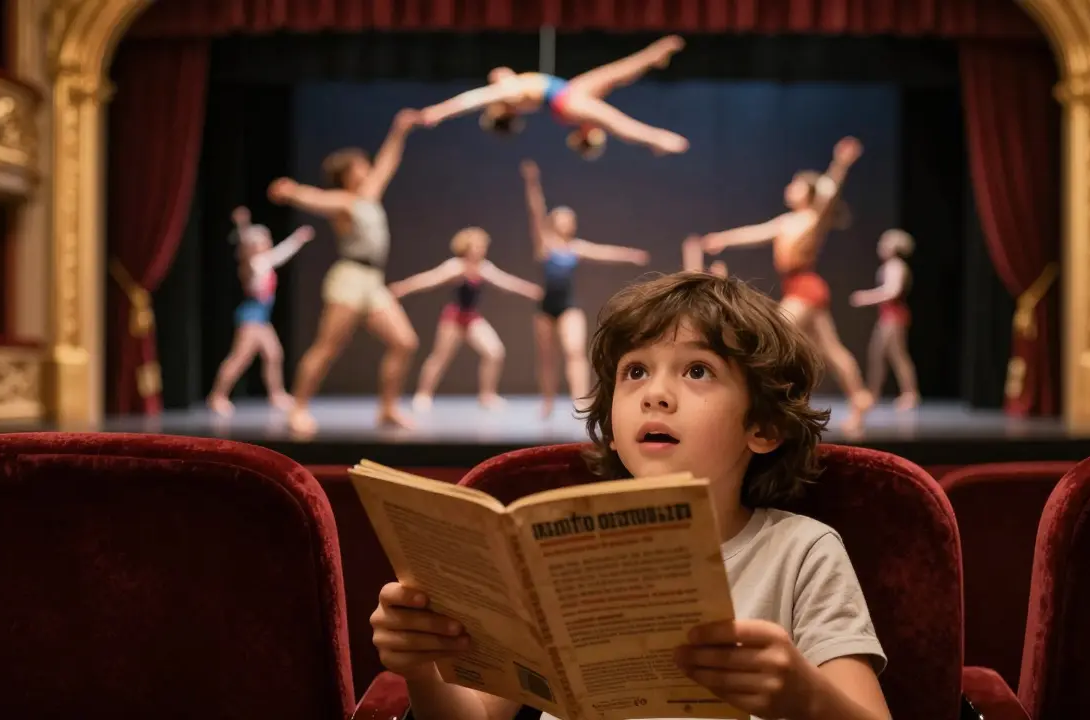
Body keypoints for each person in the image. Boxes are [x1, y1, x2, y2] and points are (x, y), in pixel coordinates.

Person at [368, 271, 892, 720]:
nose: (655, 394)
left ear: (763, 426)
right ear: (613, 430)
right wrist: (420, 663)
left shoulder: (801, 552)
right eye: (634, 371)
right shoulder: (548, 558)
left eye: (697, 370)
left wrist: (803, 695)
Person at [702, 137, 874, 435]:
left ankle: (770, 406)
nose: (789, 188)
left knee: (774, 334)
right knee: (830, 349)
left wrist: (840, 164)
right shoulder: (787, 221)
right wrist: (723, 238)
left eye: (795, 185)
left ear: (808, 194)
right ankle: (859, 398)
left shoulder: (812, 218)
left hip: (806, 287)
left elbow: (830, 191)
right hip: (798, 287)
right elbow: (755, 232)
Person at [267, 108, 422, 434]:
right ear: (349, 174)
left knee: (404, 342)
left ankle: (388, 409)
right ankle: (298, 409)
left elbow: (387, 163)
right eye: (360, 166)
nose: (367, 168)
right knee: (328, 346)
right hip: (350, 278)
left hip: (373, 280)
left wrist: (399, 130)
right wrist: (291, 191)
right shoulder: (344, 201)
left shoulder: (370, 196)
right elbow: (316, 199)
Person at [520, 159, 650, 418]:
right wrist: (532, 183)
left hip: (568, 306)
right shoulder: (544, 244)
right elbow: (536, 211)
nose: (570, 223)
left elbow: (604, 252)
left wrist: (629, 255)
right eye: (565, 219)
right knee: (547, 359)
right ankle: (546, 402)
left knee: (575, 351)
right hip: (545, 308)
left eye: (572, 220)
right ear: (554, 222)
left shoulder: (575, 247)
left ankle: (579, 400)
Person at [419, 36, 689, 158]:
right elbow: (470, 100)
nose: (496, 75)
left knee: (617, 73)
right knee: (615, 121)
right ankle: (657, 140)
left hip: (567, 93)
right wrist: (439, 111)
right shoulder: (508, 94)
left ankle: (652, 58)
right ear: (499, 112)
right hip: (565, 100)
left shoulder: (514, 93)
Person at [388, 226, 544, 411]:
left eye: (483, 246)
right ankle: (423, 395)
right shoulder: (456, 266)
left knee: (494, 352)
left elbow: (507, 282)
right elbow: (430, 279)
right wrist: (403, 287)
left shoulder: (484, 267)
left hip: (471, 318)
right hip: (453, 318)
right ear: (467, 247)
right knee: (440, 357)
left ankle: (487, 396)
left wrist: (531, 290)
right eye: (477, 246)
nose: (481, 249)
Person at [207, 207, 313, 416]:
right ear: (255, 246)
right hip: (251, 317)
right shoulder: (253, 264)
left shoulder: (265, 261)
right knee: (240, 358)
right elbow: (246, 247)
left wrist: (298, 238)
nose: (268, 242)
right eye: (264, 240)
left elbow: (282, 253)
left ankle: (277, 394)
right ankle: (217, 396)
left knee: (273, 354)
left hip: (262, 317)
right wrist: (242, 225)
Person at [850, 229, 919, 411]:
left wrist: (866, 297)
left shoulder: (896, 266)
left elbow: (892, 291)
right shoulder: (890, 266)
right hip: (888, 315)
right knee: (881, 354)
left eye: (884, 243)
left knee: (894, 355)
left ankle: (909, 393)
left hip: (894, 316)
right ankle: (875, 393)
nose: (880, 247)